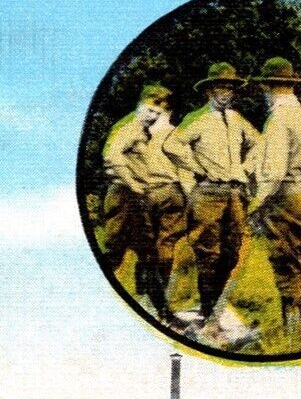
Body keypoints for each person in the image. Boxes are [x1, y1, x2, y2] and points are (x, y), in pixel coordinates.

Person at [162, 62, 262, 347]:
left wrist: (246, 167)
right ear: (209, 90)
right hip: (207, 193)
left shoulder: (238, 119)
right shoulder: (197, 119)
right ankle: (208, 316)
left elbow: (259, 144)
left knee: (231, 253)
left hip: (235, 194)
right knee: (208, 255)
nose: (226, 92)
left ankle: (213, 312)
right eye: (220, 87)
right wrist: (197, 168)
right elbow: (172, 146)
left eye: (230, 88)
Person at [101, 84, 190, 323]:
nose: (151, 116)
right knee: (114, 253)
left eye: (156, 113)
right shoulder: (129, 128)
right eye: (148, 110)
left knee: (147, 255)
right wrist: (133, 183)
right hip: (124, 197)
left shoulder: (141, 129)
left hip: (134, 198)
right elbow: (112, 155)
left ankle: (162, 313)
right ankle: (162, 313)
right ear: (139, 105)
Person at [246, 58, 301, 340]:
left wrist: (256, 205)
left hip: (283, 198)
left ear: (268, 87)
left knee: (285, 268)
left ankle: (293, 338)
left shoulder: (278, 119)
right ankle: (298, 332)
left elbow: (274, 173)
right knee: (296, 265)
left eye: (264, 87)